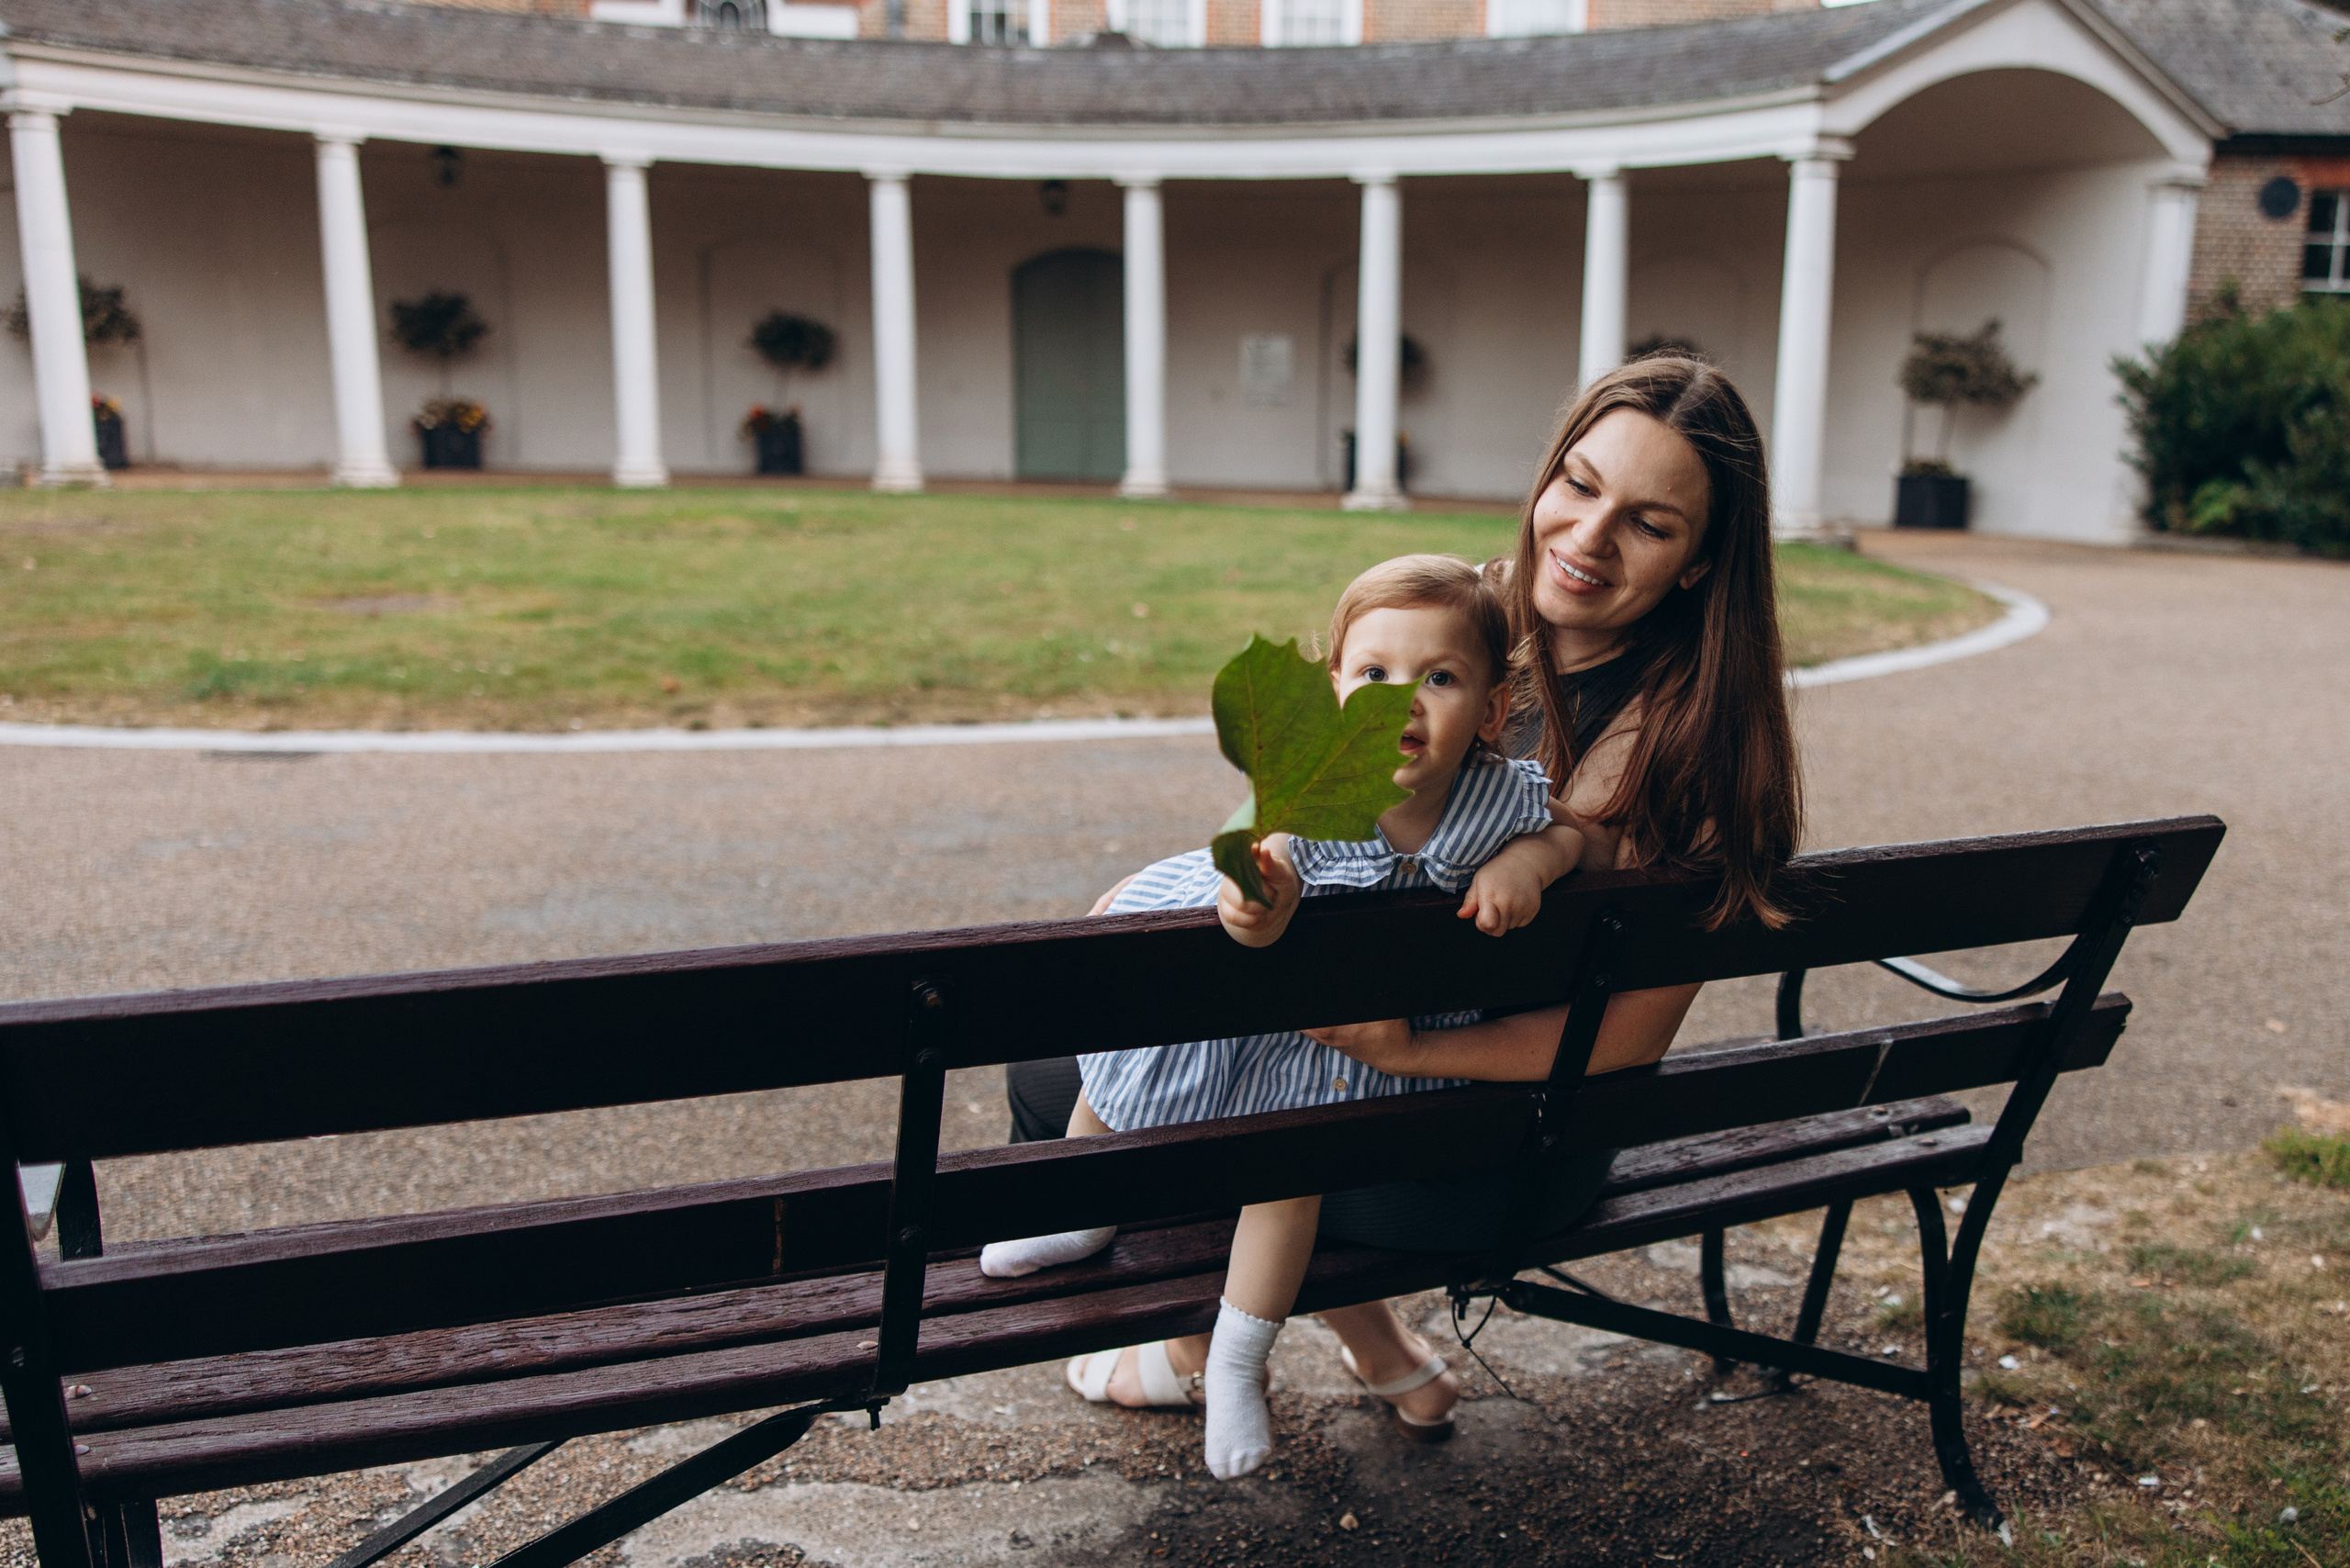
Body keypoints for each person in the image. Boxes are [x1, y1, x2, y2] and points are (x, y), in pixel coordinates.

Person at [1003, 352, 1803, 1451]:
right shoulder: (1459, 624)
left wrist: (1401, 1049)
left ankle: (1194, 1347)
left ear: (1704, 561)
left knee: (1084, 1078)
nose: (1586, 537)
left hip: (1497, 1146)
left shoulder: (1690, 753)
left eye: (1649, 524)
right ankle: (1381, 1351)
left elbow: (1619, 1038)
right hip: (1378, 1090)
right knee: (1133, 1038)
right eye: (1577, 484)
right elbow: (1330, 829)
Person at [980, 554, 1585, 1480]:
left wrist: (1530, 865)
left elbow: (1567, 830)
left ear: (1493, 712)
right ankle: (1081, 1211)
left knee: (1289, 1167)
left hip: (1335, 1045)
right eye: (1372, 676)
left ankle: (1232, 1361)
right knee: (1134, 1054)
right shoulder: (1313, 796)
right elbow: (1260, 894)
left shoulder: (1496, 801)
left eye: (1438, 677)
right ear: (1332, 691)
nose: (1401, 702)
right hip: (1253, 992)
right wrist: (1259, 906)